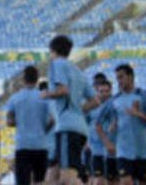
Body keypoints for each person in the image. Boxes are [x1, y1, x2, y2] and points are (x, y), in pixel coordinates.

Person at [41, 35, 100, 185]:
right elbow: (95, 100)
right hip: (77, 127)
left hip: (67, 127)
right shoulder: (78, 71)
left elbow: (63, 90)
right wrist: (78, 110)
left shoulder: (57, 64)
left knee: (68, 177)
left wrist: (46, 93)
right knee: (52, 177)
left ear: (52, 50)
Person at [110, 64, 146, 185]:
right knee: (125, 182)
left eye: (121, 77)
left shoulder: (144, 95)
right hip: (123, 151)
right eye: (117, 78)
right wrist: (112, 127)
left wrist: (138, 114)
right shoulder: (115, 100)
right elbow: (111, 122)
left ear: (130, 76)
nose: (119, 81)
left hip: (142, 150)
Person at [5, 65, 52, 185]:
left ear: (22, 79)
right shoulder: (44, 97)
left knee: (23, 181)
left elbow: (9, 122)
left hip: (23, 145)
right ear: (37, 79)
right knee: (40, 181)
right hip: (41, 145)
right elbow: (52, 119)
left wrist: (21, 121)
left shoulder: (14, 98)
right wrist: (44, 128)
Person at [88, 77, 117, 185]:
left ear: (111, 91)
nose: (104, 94)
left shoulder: (115, 106)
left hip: (112, 150)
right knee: (98, 181)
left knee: (113, 181)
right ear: (97, 92)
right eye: (101, 91)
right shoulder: (91, 107)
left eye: (107, 91)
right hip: (96, 149)